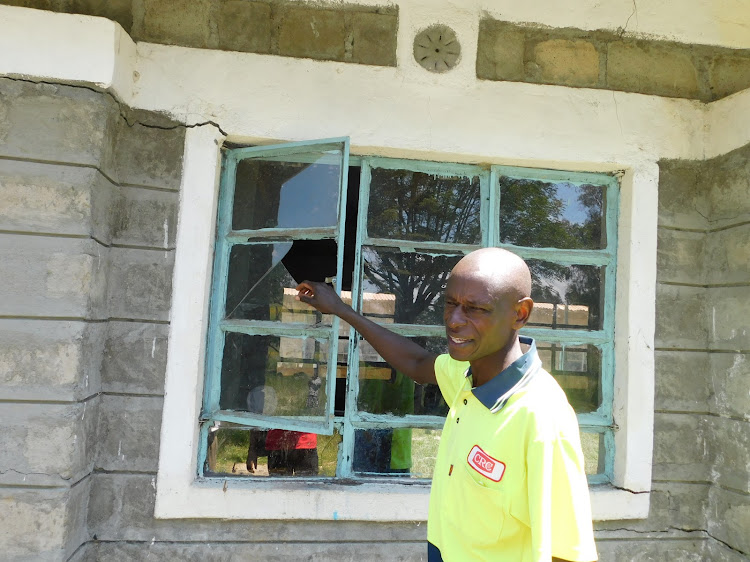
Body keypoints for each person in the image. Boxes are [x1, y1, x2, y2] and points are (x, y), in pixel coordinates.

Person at [296, 247, 597, 562]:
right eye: (451, 304)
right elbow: (417, 361)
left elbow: (569, 553)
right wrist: (341, 309)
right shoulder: (468, 374)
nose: (454, 321)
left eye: (475, 308)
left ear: (519, 314)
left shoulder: (541, 417)